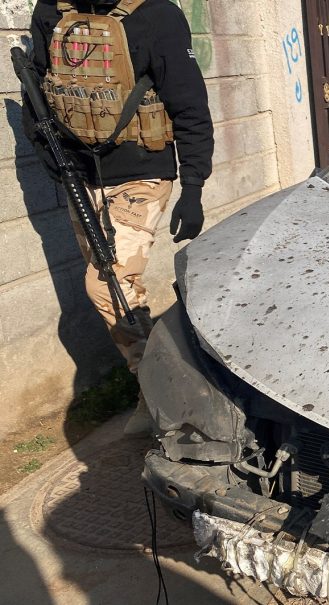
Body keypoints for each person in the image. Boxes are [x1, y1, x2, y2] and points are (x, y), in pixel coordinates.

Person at [24, 0, 214, 433]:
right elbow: (37, 87)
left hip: (142, 172)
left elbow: (189, 105)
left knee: (106, 285)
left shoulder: (157, 14)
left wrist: (194, 188)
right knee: (121, 292)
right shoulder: (51, 11)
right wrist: (46, 153)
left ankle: (171, 394)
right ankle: (155, 390)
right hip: (79, 175)